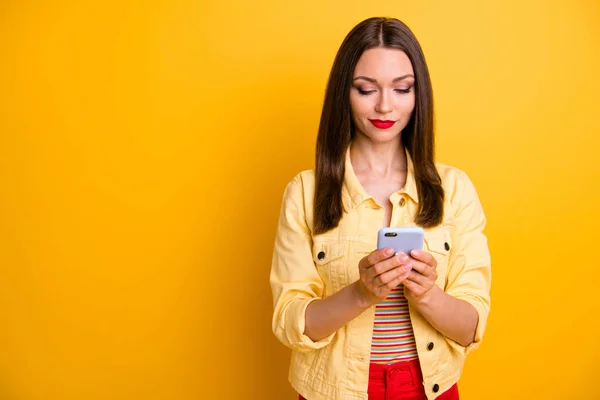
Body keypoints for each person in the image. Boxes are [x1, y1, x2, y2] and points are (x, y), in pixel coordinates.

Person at [269, 17, 491, 400]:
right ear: (344, 93)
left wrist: (426, 295)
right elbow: (291, 323)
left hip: (427, 388)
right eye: (366, 89)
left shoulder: (454, 189)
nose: (385, 105)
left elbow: (471, 327)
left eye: (402, 89)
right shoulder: (305, 192)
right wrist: (360, 293)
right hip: (333, 389)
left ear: (418, 94)